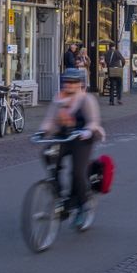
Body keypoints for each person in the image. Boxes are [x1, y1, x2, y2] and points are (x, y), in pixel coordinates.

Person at [38, 68, 104, 229]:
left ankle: (82, 205)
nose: (69, 85)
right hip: (64, 136)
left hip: (82, 138)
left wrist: (88, 130)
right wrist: (43, 130)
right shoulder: (58, 99)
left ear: (80, 84)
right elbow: (50, 120)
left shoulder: (86, 99)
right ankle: (59, 196)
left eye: (73, 82)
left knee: (77, 172)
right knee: (47, 155)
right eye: (66, 81)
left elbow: (93, 120)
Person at [106, 42, 126, 106]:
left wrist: (109, 67)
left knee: (111, 86)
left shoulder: (107, 53)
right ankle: (119, 99)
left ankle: (111, 101)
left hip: (111, 71)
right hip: (118, 70)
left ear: (109, 47)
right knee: (119, 85)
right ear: (114, 46)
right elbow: (123, 60)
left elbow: (106, 62)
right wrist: (121, 66)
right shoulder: (117, 52)